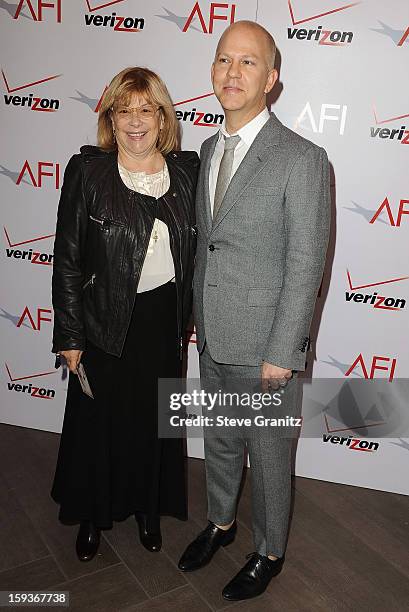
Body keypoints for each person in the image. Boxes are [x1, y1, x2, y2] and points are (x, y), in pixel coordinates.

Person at [178, 21, 330, 601]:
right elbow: (209, 243)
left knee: (268, 460)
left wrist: (282, 352)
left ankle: (269, 550)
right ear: (213, 72)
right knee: (218, 439)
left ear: (271, 78)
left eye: (247, 62)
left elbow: (305, 264)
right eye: (223, 60)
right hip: (213, 333)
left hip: (265, 342)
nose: (232, 72)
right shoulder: (210, 149)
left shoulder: (303, 158)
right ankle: (221, 522)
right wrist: (196, 316)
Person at [51, 67, 199, 561]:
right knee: (99, 425)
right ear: (111, 121)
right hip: (103, 320)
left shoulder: (187, 173)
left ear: (162, 117)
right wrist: (69, 334)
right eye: (124, 110)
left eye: (146, 109)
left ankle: (147, 511)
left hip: (162, 321)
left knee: (153, 422)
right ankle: (94, 516)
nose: (136, 121)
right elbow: (68, 258)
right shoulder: (89, 172)